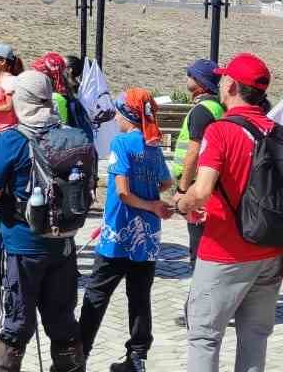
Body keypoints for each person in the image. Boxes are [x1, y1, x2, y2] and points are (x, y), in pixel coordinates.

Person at [173, 52, 283, 372]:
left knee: (205, 336)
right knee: (255, 337)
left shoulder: (221, 130)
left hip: (226, 249)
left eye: (223, 78)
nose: (220, 82)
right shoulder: (277, 130)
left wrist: (183, 201)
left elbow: (203, 190)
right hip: (270, 249)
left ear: (232, 86)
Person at [0, 70, 84, 372]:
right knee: (62, 319)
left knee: (14, 320)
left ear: (23, 100)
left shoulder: (13, 139)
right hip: (63, 243)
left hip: (21, 243)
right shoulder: (72, 136)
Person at [79, 88, 172, 372]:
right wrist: (154, 202)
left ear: (128, 115)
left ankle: (79, 356)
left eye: (118, 111)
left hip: (118, 234)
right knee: (140, 297)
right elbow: (166, 183)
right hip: (147, 239)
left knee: (96, 294)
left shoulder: (121, 144)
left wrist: (144, 202)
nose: (116, 117)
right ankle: (137, 358)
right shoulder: (152, 145)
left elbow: (122, 193)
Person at [170, 58, 222, 328]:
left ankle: (199, 310)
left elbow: (193, 152)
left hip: (196, 188)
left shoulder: (203, 111)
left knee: (199, 253)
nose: (186, 77)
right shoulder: (217, 107)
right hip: (209, 187)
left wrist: (182, 189)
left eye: (190, 74)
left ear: (199, 82)